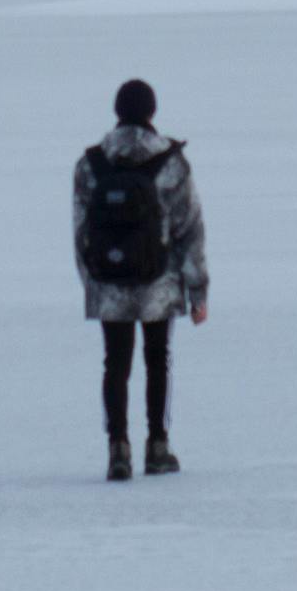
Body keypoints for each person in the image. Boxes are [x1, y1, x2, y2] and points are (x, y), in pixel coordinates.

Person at [71, 77, 207, 479]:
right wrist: (197, 291)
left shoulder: (91, 163)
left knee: (115, 362)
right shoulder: (171, 163)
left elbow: (80, 232)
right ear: (152, 112)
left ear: (117, 112)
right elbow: (190, 230)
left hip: (108, 282)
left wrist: (93, 283)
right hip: (158, 282)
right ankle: (157, 445)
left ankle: (118, 448)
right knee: (157, 359)